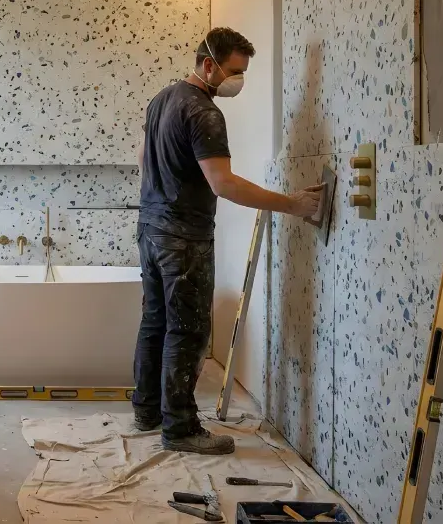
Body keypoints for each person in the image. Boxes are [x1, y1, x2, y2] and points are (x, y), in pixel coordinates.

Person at [133, 27, 324, 455]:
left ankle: (146, 411)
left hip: (150, 228)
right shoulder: (203, 112)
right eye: (234, 71)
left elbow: (144, 160)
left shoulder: (161, 99)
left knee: (155, 322)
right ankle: (179, 428)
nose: (237, 81)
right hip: (183, 236)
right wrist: (291, 204)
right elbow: (223, 184)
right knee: (187, 330)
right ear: (208, 64)